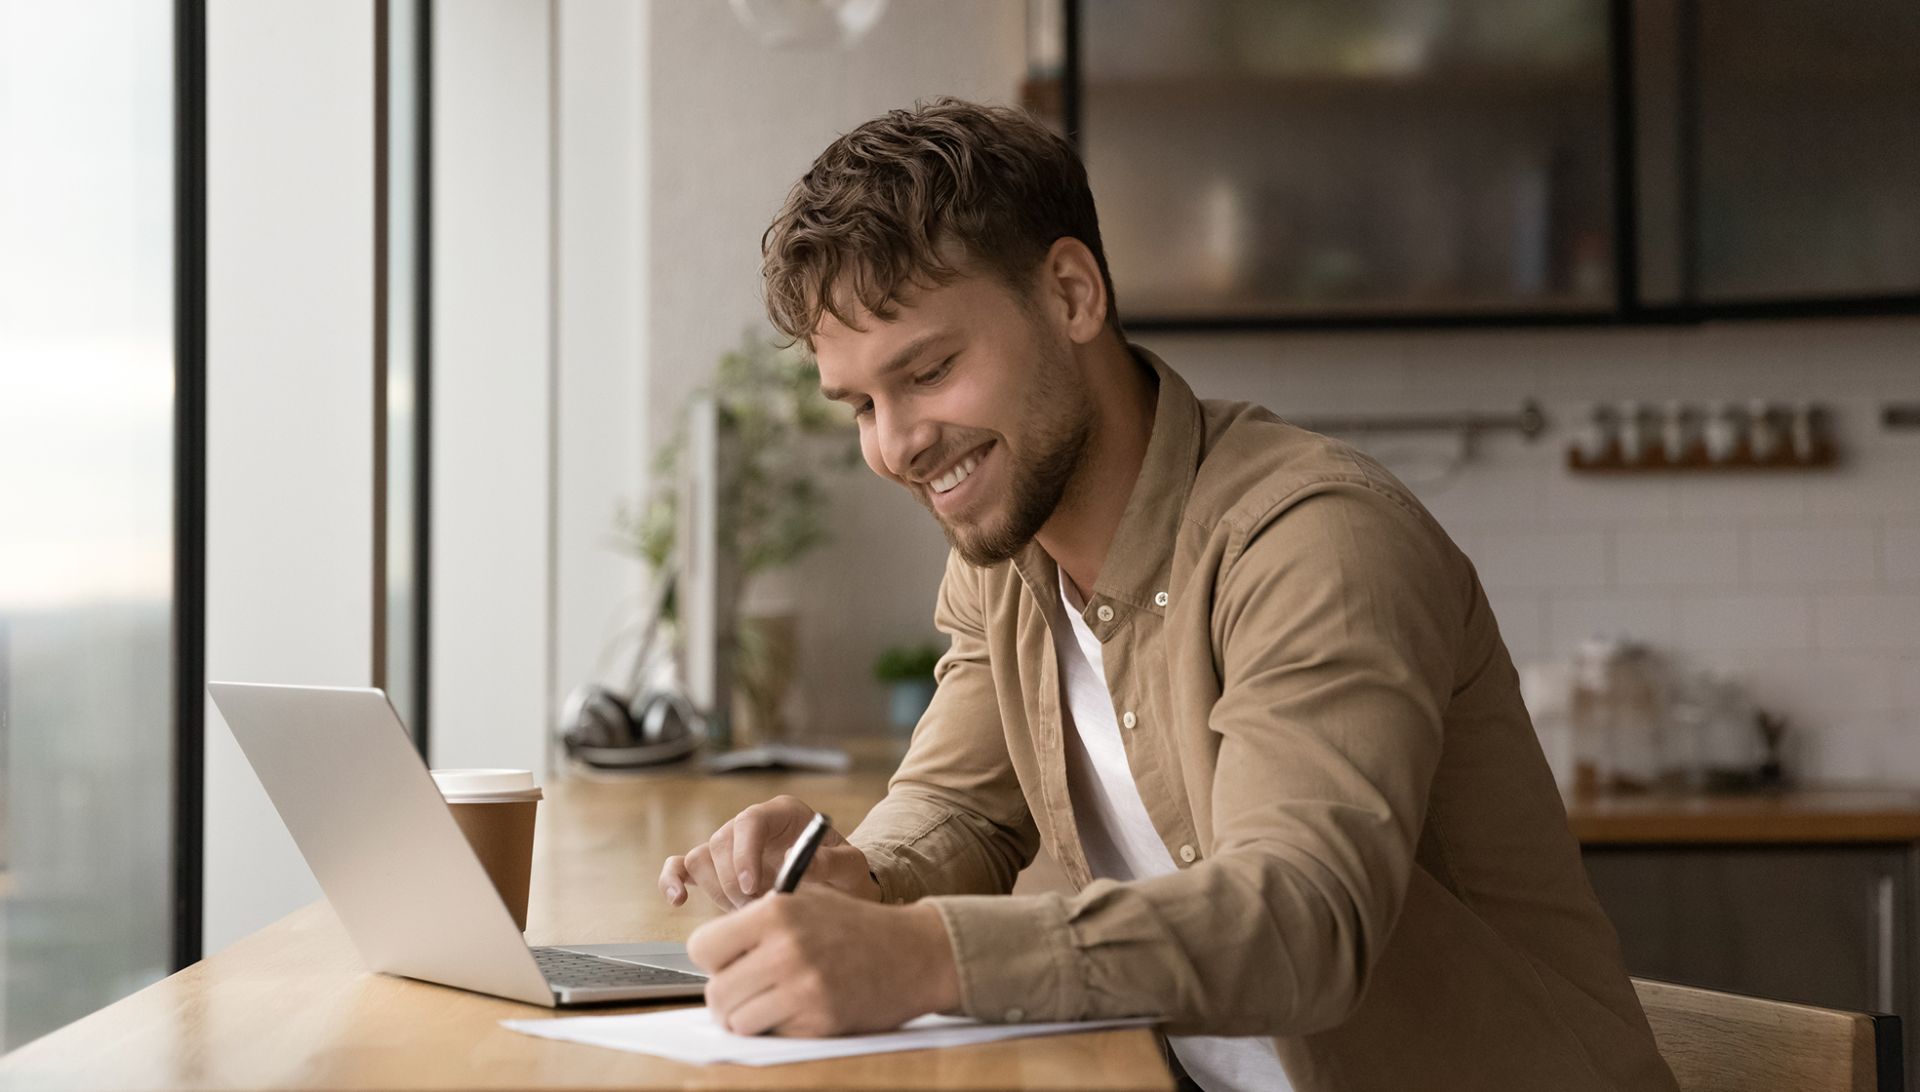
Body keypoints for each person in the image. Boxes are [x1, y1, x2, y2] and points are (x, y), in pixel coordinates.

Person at [658, 98, 1678, 1092]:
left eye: (927, 371)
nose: (895, 444)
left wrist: (924, 956)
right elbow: (959, 804)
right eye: (862, 406)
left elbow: (1302, 920)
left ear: (1069, 294)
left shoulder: (1315, 538)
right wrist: (855, 878)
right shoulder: (1001, 558)